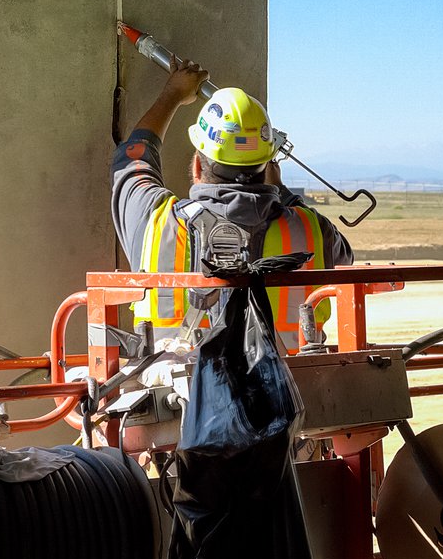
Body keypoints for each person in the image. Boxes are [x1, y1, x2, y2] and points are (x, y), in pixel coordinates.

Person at [111, 57, 353, 349]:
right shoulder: (314, 230)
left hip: (173, 389)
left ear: (198, 168)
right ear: (267, 168)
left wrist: (172, 95)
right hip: (287, 389)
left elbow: (133, 159)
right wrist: (281, 191)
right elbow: (344, 261)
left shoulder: (156, 220)